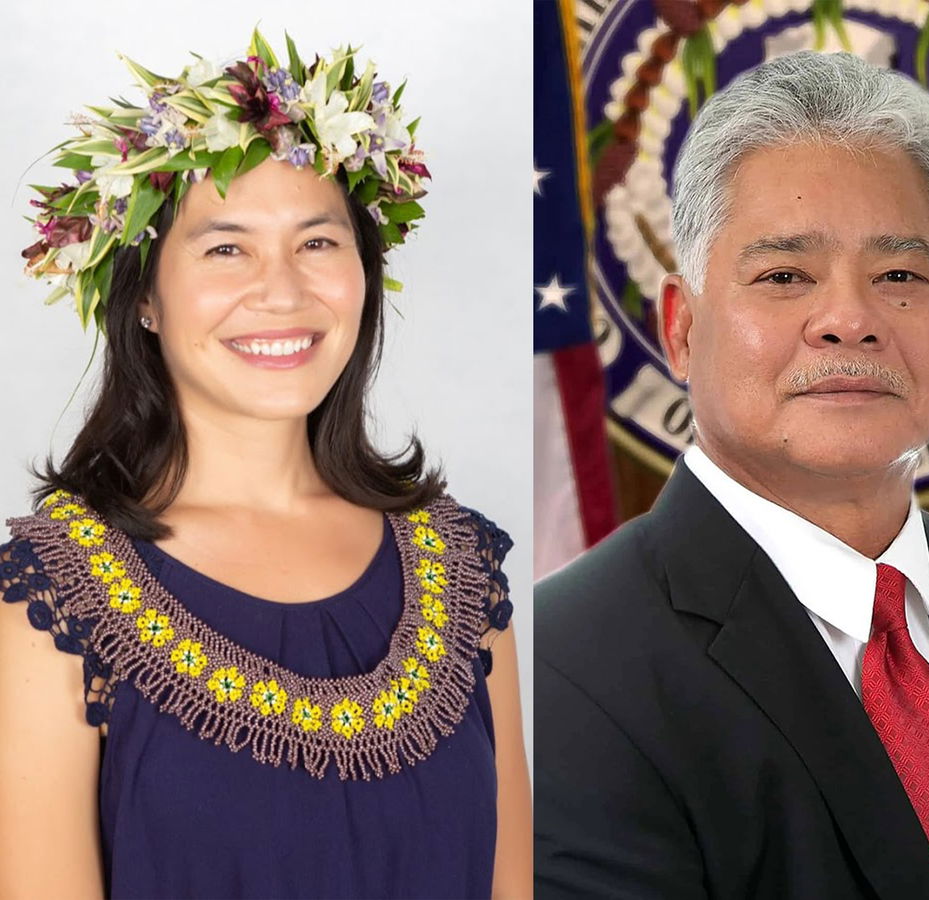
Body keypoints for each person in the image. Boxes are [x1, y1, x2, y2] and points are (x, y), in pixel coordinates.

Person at [0, 32, 532, 898]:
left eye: (318, 243)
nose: (282, 291)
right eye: (225, 248)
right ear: (142, 298)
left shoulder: (464, 570)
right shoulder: (52, 597)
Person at [534, 51, 929, 899]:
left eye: (900, 275)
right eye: (785, 276)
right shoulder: (562, 675)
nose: (850, 320)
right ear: (681, 327)